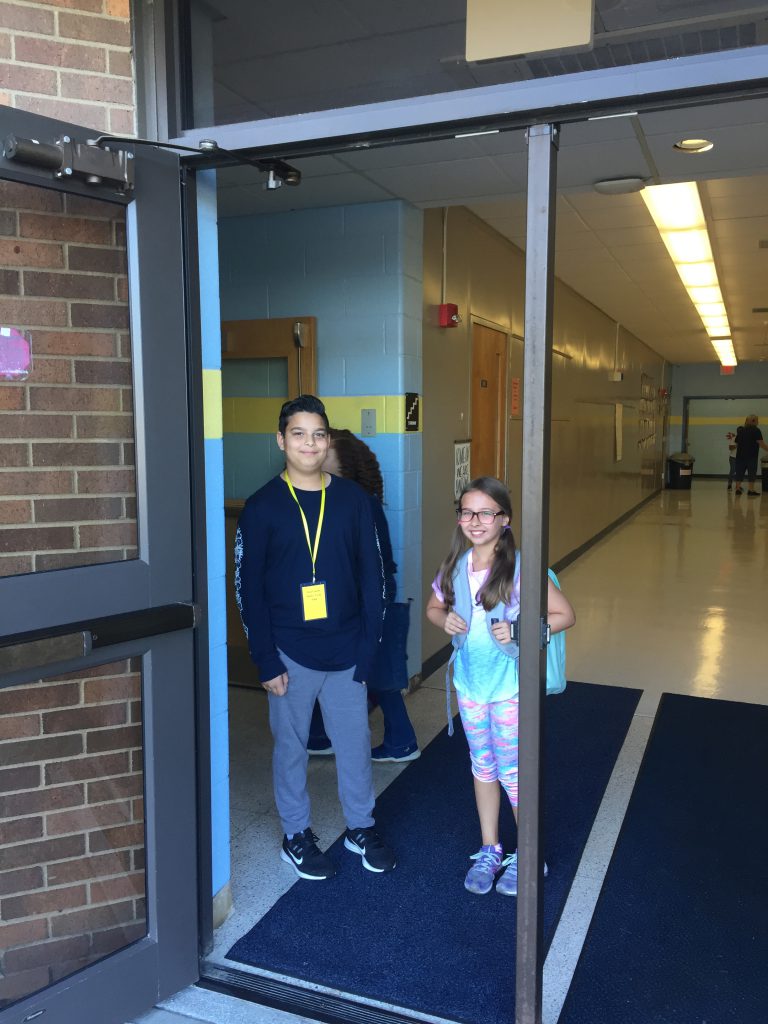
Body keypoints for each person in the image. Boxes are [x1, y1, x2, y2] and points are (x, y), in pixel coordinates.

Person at [235, 395, 396, 880]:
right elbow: (247, 589)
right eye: (299, 434)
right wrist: (266, 659)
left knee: (354, 745)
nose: (310, 443)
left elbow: (375, 579)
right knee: (291, 748)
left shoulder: (352, 502)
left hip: (348, 651)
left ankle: (360, 828)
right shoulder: (262, 507)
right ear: (281, 440)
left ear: (328, 442)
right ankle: (295, 834)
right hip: (289, 652)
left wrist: (369, 650)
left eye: (319, 434)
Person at [426, 476, 575, 896]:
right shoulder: (455, 566)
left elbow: (564, 615)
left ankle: (529, 852)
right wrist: (444, 620)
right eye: (467, 512)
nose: (475, 521)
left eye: (486, 513)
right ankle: (491, 847)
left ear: (504, 519)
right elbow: (435, 606)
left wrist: (522, 630)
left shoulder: (520, 569)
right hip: (470, 687)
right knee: (482, 766)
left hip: (510, 690)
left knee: (513, 773)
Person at [307, 428, 420, 763]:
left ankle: (400, 741)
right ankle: (319, 735)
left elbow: (377, 564)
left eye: (324, 456)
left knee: (376, 672)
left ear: (346, 467)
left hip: (358, 603)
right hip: (337, 601)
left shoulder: (360, 505)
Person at [732, 414, 768, 496]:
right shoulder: (756, 430)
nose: (758, 422)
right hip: (751, 456)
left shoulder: (741, 430)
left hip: (740, 456)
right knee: (752, 472)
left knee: (739, 472)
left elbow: (737, 442)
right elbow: (761, 443)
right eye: (757, 420)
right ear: (753, 421)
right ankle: (751, 490)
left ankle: (738, 489)